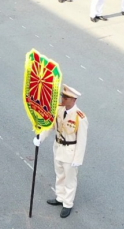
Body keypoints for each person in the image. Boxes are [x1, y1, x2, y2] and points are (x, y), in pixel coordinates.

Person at [34, 84, 88, 219]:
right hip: (58, 147)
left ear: (73, 100)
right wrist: (40, 138)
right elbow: (51, 126)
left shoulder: (80, 118)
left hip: (70, 151)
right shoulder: (59, 110)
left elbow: (82, 141)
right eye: (63, 96)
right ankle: (60, 197)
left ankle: (68, 204)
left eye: (66, 97)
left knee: (70, 179)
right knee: (59, 174)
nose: (63, 99)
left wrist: (77, 159)